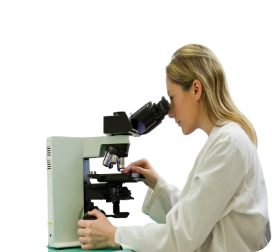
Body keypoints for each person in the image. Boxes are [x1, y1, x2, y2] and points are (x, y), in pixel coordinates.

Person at [77, 43, 270, 251]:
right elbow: (199, 215)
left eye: (172, 97)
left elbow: (183, 235)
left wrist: (115, 234)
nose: (169, 112)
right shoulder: (226, 139)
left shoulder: (228, 143)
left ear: (196, 89)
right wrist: (158, 185)